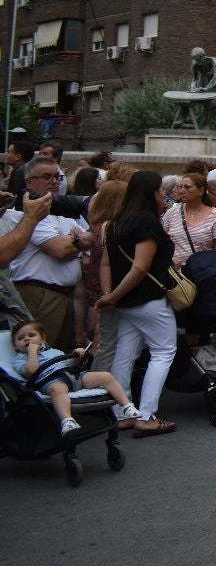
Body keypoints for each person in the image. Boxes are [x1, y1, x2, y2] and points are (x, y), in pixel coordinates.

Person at [96, 170, 178, 438]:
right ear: (152, 192)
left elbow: (106, 262)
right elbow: (141, 267)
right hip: (146, 298)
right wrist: (114, 296)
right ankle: (146, 414)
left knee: (125, 354)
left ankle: (123, 412)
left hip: (125, 302)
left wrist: (111, 295)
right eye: (160, 191)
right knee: (163, 351)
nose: (163, 195)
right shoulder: (146, 222)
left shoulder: (116, 222)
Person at [2, 157, 96, 351]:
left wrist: (76, 242)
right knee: (38, 355)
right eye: (46, 177)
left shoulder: (59, 212)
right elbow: (60, 249)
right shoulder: (25, 213)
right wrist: (78, 241)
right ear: (29, 181)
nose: (54, 182)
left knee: (57, 356)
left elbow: (90, 240)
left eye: (57, 177)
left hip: (65, 296)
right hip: (40, 295)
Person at [10, 319, 141, 435]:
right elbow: (31, 370)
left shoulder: (54, 351)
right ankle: (67, 420)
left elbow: (69, 364)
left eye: (31, 335)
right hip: (51, 381)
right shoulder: (19, 360)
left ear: (43, 338)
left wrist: (76, 357)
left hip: (73, 376)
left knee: (105, 376)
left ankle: (126, 406)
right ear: (15, 345)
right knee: (57, 390)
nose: (27, 339)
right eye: (21, 338)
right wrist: (32, 352)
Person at [80, 181, 128, 373]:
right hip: (115, 290)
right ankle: (98, 382)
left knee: (103, 338)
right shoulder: (115, 228)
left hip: (97, 289)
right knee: (107, 341)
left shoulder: (95, 227)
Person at [162, 173, 216, 266]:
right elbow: (161, 242)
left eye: (187, 187)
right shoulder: (171, 213)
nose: (182, 191)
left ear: (201, 191)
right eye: (180, 187)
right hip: (175, 272)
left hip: (202, 271)